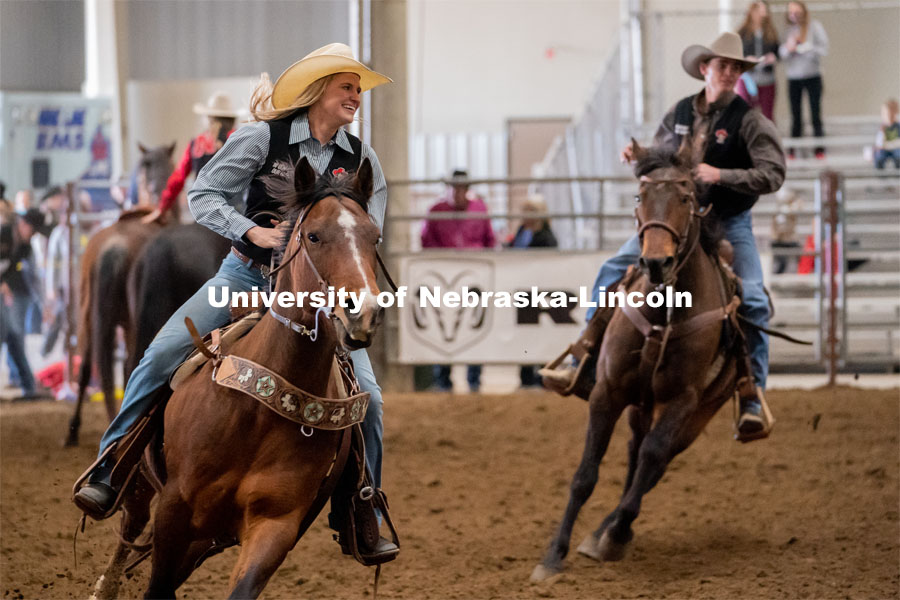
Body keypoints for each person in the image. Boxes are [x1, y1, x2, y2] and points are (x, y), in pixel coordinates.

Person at [73, 43, 398, 563]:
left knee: (371, 400)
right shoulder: (259, 138)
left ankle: (363, 507)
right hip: (243, 276)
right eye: (347, 87)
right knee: (160, 356)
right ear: (318, 91)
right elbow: (204, 194)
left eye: (358, 89)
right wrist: (254, 232)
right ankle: (111, 466)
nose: (356, 97)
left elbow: (368, 226)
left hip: (320, 297)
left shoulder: (360, 158)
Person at [543, 32, 785, 440]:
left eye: (735, 67)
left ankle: (751, 392)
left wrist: (721, 175)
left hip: (728, 221)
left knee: (756, 300)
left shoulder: (751, 121)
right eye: (721, 65)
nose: (728, 73)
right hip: (677, 221)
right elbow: (660, 164)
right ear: (705, 69)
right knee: (611, 269)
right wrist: (638, 158)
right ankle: (584, 354)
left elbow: (773, 173)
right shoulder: (678, 113)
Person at [421, 169, 496, 392]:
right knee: (443, 324)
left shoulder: (479, 210)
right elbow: (427, 241)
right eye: (454, 187)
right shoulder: (436, 211)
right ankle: (443, 378)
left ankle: (474, 378)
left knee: (472, 323)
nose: (458, 192)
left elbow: (490, 240)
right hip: (444, 276)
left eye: (461, 187)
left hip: (474, 277)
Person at [141, 92, 242, 224]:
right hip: (233, 210)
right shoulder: (239, 139)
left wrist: (162, 208)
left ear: (209, 118)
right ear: (232, 119)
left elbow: (178, 178)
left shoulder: (196, 143)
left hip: (203, 212)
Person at [507, 196, 557, 388]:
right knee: (525, 334)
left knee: (541, 333)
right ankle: (526, 375)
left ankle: (542, 375)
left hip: (540, 289)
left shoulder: (547, 237)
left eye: (529, 211)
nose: (525, 216)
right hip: (522, 289)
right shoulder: (521, 231)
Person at [780, 1, 829, 159]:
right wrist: (789, 48)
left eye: (797, 12)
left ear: (803, 12)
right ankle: (793, 151)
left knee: (815, 114)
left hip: (813, 75)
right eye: (791, 13)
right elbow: (781, 54)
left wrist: (806, 48)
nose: (794, 16)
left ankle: (819, 149)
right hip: (794, 78)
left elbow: (824, 48)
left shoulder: (815, 27)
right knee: (796, 115)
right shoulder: (788, 31)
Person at [736, 1, 779, 121]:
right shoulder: (742, 32)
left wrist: (773, 58)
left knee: (767, 114)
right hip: (748, 78)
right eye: (760, 10)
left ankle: (767, 137)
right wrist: (746, 60)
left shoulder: (771, 32)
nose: (763, 14)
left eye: (765, 11)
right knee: (746, 111)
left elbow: (778, 52)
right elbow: (735, 54)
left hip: (767, 78)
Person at [873, 99, 900, 169]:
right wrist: (882, 132)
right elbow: (879, 144)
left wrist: (886, 145)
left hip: (896, 149)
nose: (886, 117)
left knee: (899, 153)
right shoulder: (882, 128)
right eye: (884, 114)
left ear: (895, 114)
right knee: (879, 154)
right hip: (885, 150)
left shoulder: (898, 126)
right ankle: (880, 174)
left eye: (889, 114)